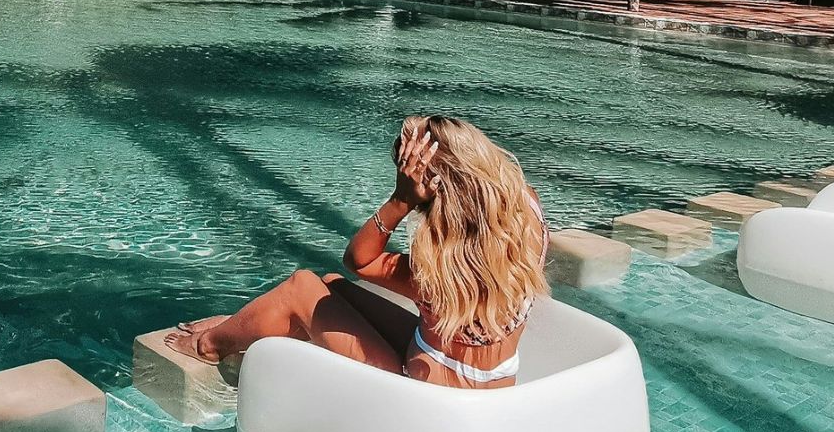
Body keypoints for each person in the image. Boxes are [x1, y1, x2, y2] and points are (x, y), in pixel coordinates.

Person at [166, 115, 550, 389]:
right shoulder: (526, 216)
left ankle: (210, 346)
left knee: (302, 286)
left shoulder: (438, 274)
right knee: (333, 287)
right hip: (482, 385)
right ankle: (243, 322)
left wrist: (399, 200)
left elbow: (360, 260)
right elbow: (348, 275)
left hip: (421, 398)